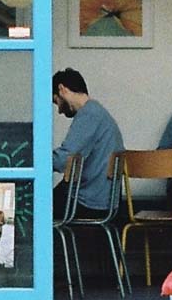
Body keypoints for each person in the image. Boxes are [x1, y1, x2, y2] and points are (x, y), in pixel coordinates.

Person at [51, 68, 125, 222]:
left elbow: (63, 160)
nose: (59, 110)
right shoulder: (98, 112)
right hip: (105, 199)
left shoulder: (88, 115)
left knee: (35, 204)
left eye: (56, 101)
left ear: (62, 89)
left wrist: (33, 159)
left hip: (88, 201)